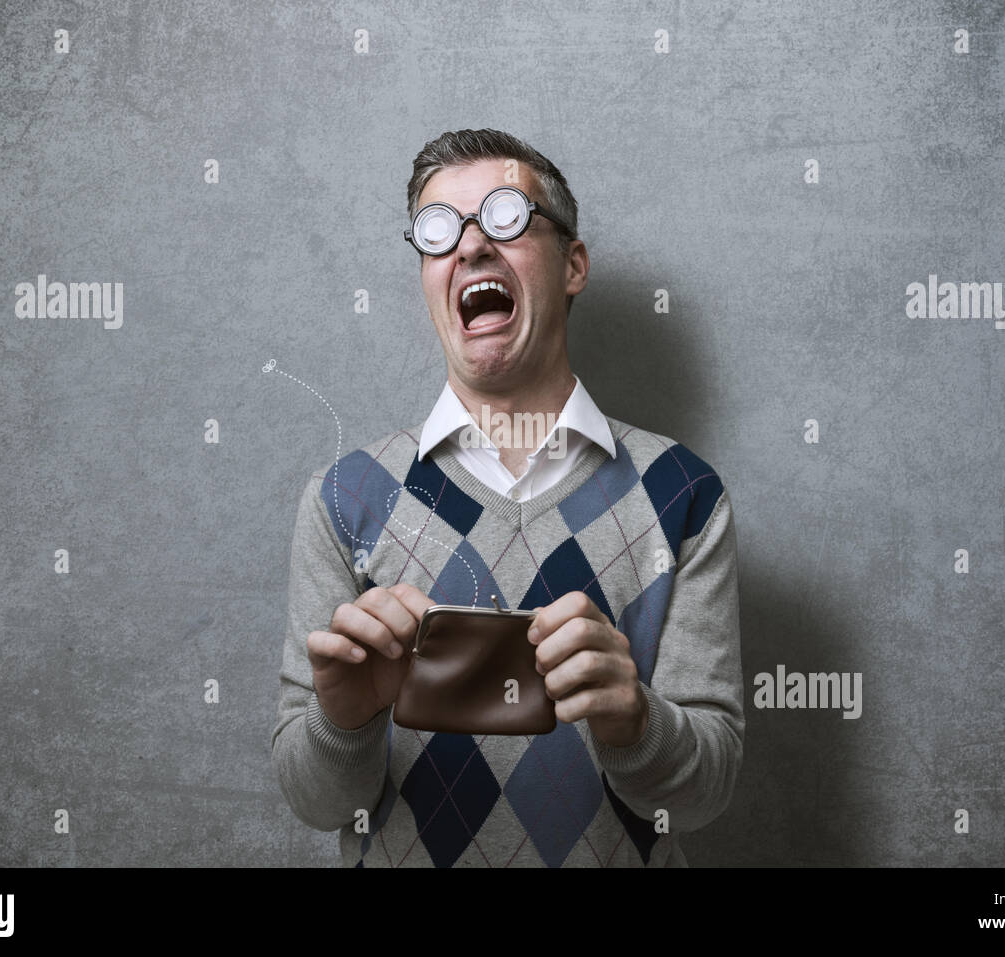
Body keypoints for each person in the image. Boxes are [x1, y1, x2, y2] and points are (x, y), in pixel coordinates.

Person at [271, 128, 744, 867]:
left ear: (573, 264)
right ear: (427, 276)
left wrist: (635, 719)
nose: (470, 247)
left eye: (505, 219)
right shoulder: (344, 498)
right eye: (439, 232)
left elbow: (705, 795)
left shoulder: (685, 494)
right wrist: (345, 718)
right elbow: (318, 803)